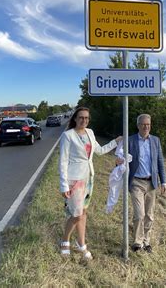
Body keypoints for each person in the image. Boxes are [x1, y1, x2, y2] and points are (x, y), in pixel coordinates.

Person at [59, 107, 122, 259]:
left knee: (83, 212)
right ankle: (65, 241)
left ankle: (81, 244)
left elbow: (99, 151)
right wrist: (64, 185)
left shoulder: (90, 132)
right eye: (81, 117)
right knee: (76, 214)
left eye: (87, 118)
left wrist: (115, 141)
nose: (84, 120)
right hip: (75, 180)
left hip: (89, 179)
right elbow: (62, 161)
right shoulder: (68, 135)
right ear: (75, 118)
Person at [125, 114, 166, 253]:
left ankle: (146, 241)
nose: (146, 127)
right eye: (143, 124)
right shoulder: (130, 141)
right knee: (139, 214)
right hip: (136, 182)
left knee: (149, 215)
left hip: (151, 183)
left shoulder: (155, 140)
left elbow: (160, 161)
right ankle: (137, 242)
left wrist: (164, 182)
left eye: (148, 124)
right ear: (138, 126)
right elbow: (121, 158)